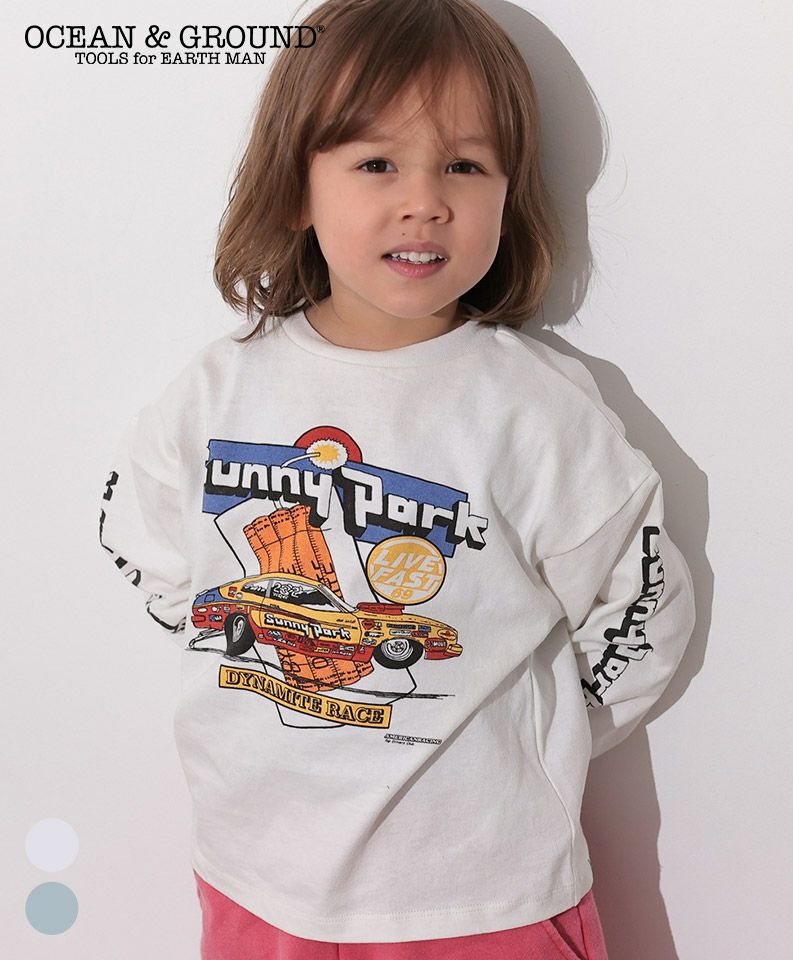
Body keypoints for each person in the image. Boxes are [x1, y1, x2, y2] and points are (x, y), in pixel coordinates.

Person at [98, 0, 696, 957]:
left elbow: (643, 604)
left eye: (465, 165)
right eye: (377, 163)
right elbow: (144, 534)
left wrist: (535, 728)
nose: (425, 200)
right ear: (297, 188)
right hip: (255, 873)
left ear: (510, 194)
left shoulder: (535, 410)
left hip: (482, 895)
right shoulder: (219, 390)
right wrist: (254, 666)